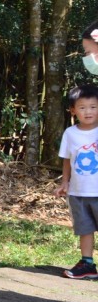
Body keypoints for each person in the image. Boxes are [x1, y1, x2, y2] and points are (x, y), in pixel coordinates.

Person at [56, 84, 98, 279]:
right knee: (85, 228)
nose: (88, 111)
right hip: (78, 192)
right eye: (82, 107)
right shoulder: (70, 134)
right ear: (73, 111)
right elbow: (67, 159)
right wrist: (65, 182)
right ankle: (87, 263)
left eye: (93, 106)